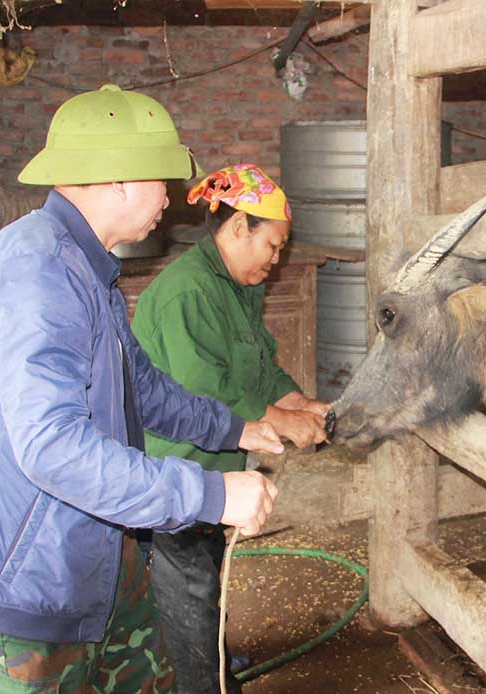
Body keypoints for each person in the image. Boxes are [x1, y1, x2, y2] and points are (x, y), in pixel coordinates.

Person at [0, 85, 284, 693]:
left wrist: (234, 429)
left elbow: (141, 386)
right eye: (160, 180)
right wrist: (210, 494)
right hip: (26, 575)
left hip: (93, 544)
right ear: (117, 179)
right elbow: (52, 447)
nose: (169, 198)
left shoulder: (86, 266)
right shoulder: (36, 273)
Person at [131, 163, 330, 693]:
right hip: (176, 474)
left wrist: (304, 404)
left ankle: (208, 661)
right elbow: (206, 390)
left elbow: (258, 368)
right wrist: (284, 422)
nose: (276, 259)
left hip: (214, 474)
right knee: (190, 589)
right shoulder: (188, 291)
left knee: (204, 583)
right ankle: (203, 679)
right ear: (240, 227)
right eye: (273, 246)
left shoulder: (237, 287)